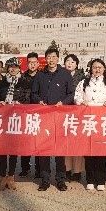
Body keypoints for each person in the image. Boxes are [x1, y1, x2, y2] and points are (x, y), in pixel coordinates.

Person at [31, 47, 74, 191]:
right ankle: (45, 180)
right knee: (44, 149)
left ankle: (60, 179)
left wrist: (63, 103)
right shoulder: (40, 75)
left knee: (59, 149)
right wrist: (39, 101)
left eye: (54, 57)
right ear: (45, 59)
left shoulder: (65, 74)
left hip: (60, 116)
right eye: (48, 57)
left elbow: (71, 93)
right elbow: (34, 93)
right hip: (44, 117)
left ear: (58, 58)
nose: (51, 60)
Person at [74, 58, 106, 191]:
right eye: (94, 67)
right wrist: (80, 102)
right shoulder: (84, 82)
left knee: (100, 151)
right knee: (88, 151)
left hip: (102, 121)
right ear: (91, 69)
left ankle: (100, 180)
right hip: (88, 120)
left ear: (104, 69)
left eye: (100, 67)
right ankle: (90, 179)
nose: (97, 70)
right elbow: (77, 96)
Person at [0, 58, 31, 191]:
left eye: (15, 67)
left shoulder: (25, 82)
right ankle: (1, 176)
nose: (13, 69)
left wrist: (20, 103)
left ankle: (11, 176)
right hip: (3, 119)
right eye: (10, 66)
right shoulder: (1, 83)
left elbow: (27, 99)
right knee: (1, 149)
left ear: (19, 68)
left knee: (14, 149)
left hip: (17, 118)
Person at [64, 54, 86, 182]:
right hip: (64, 112)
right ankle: (66, 169)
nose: (70, 63)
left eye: (73, 62)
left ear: (76, 64)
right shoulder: (60, 75)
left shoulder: (83, 78)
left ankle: (77, 171)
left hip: (79, 113)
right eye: (67, 61)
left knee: (78, 142)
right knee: (66, 142)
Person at [19, 52, 41, 178]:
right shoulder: (22, 77)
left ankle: (39, 169)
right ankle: (25, 168)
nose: (32, 65)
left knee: (38, 141)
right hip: (25, 112)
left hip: (39, 113)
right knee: (25, 141)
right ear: (27, 64)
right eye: (30, 63)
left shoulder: (42, 76)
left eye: (34, 62)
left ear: (38, 63)